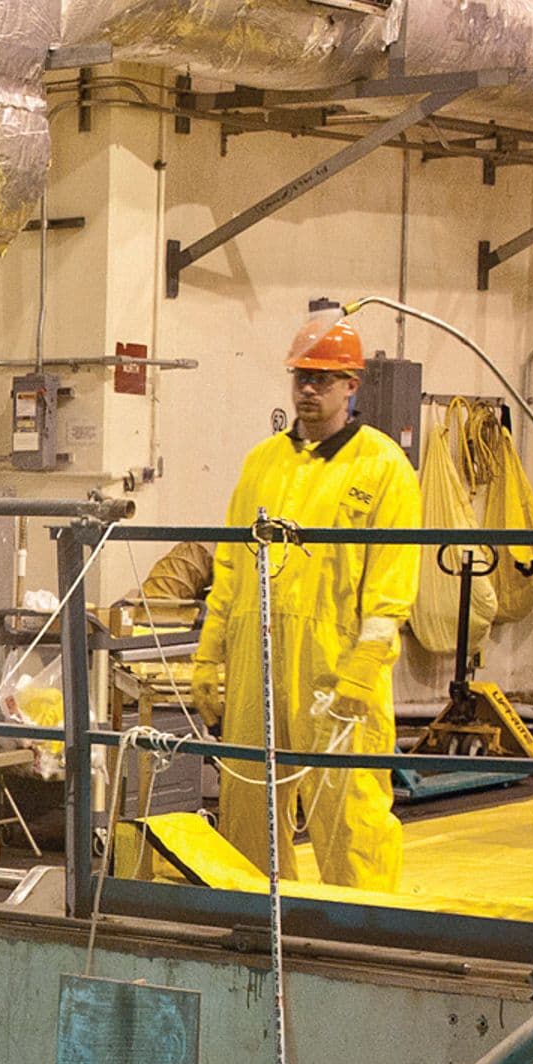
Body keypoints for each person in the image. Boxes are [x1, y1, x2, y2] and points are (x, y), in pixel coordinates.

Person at [190, 313, 420, 889]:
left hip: (334, 670)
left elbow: (391, 589)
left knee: (350, 813)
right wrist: (208, 656)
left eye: (323, 379)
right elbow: (230, 570)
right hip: (254, 665)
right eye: (301, 379)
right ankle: (252, 927)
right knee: (246, 810)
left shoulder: (384, 466)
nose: (309, 391)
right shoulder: (262, 463)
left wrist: (362, 675)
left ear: (352, 385)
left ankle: (362, 935)